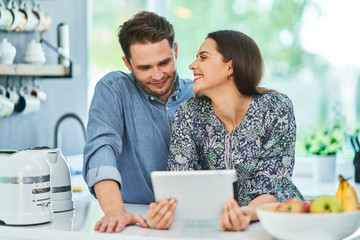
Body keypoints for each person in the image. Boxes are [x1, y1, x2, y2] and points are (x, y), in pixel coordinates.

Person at [145, 30, 304, 231]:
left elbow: (273, 183)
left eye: (203, 57)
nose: (192, 65)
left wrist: (245, 214)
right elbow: (181, 181)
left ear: (230, 66)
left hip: (277, 223)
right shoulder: (189, 113)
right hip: (216, 227)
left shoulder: (275, 107)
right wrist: (166, 213)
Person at [82, 11, 194, 233]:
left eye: (164, 62)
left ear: (176, 51)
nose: (158, 75)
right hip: (133, 219)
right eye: (145, 67)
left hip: (192, 219)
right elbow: (101, 149)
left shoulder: (198, 92)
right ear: (128, 63)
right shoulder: (113, 90)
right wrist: (115, 212)